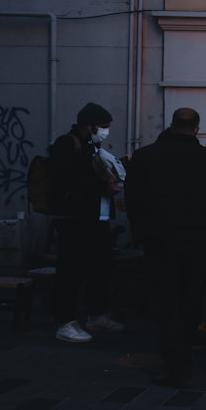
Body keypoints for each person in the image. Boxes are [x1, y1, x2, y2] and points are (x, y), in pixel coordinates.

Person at [125, 108, 206, 388]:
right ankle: (187, 352)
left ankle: (175, 363)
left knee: (166, 302)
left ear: (172, 125)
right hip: (199, 241)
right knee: (191, 299)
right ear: (197, 128)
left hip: (159, 240)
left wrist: (143, 230)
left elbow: (132, 199)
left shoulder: (146, 157)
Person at [50, 102, 126, 343]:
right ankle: (65, 322)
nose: (105, 131)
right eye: (103, 127)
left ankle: (96, 315)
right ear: (90, 125)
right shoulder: (67, 143)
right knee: (70, 270)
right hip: (75, 219)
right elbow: (65, 179)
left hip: (97, 217)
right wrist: (103, 185)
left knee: (100, 267)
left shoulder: (93, 146)